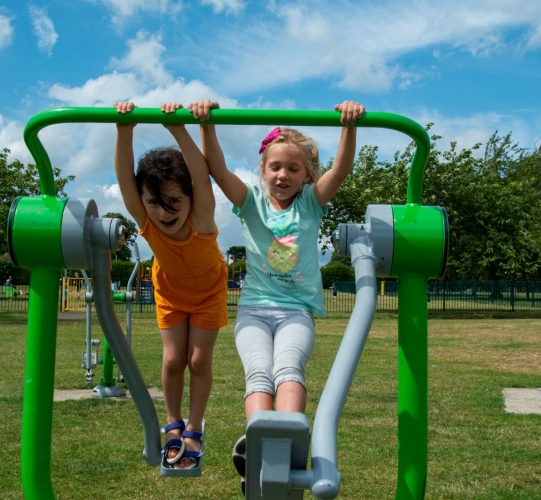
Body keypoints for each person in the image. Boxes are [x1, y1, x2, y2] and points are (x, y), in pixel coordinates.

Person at [184, 98, 364, 490]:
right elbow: (216, 169)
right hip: (253, 311)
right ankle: (257, 440)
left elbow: (342, 169)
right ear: (263, 170)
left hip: (295, 312)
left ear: (306, 175)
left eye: (293, 169)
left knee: (287, 367)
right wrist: (207, 125)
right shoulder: (250, 204)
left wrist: (348, 127)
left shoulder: (311, 205)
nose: (283, 175)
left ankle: (290, 435)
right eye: (275, 167)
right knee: (258, 374)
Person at [113, 101, 228, 472]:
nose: (164, 212)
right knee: (173, 359)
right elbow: (123, 177)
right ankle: (174, 423)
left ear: (191, 198)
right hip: (171, 291)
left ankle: (195, 426)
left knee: (198, 360)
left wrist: (179, 129)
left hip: (209, 290)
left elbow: (200, 174)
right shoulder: (145, 219)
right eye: (154, 203)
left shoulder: (201, 216)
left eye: (173, 201)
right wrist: (124, 130)